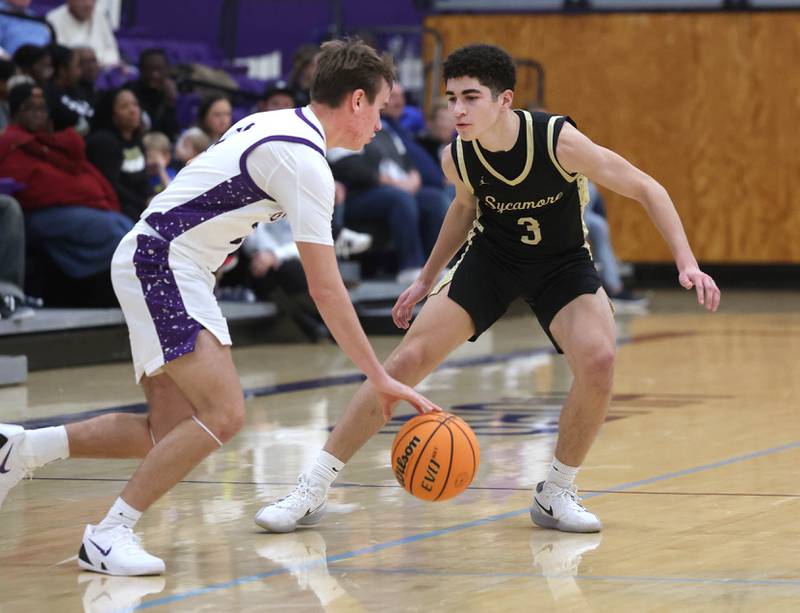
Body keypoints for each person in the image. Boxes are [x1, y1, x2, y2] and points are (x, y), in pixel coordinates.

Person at [0, 38, 439, 577]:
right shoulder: (304, 161)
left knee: (167, 430)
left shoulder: (274, 123)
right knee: (224, 414)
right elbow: (326, 290)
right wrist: (379, 377)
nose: (379, 123)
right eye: (379, 107)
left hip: (159, 259)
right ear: (356, 100)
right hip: (164, 264)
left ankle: (20, 449)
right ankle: (109, 535)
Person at [255, 43, 720, 534]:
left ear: (504, 100)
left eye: (471, 97)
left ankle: (556, 491)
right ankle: (313, 487)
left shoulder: (557, 140)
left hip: (561, 264)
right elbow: (462, 209)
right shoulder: (458, 155)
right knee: (405, 362)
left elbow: (647, 188)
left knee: (599, 360)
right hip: (491, 260)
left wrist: (687, 263)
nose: (457, 109)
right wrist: (425, 278)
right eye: (451, 98)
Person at [86, 86, 152, 222]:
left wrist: (151, 197)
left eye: (135, 104)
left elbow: (143, 178)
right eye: (124, 106)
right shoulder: (103, 142)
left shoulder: (136, 140)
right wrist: (144, 203)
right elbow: (112, 186)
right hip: (114, 209)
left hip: (137, 206)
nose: (133, 110)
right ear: (112, 114)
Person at [46, 0, 121, 68]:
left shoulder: (100, 17)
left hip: (102, 71)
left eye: (92, 0)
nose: (88, 4)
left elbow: (112, 52)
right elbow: (59, 57)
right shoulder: (53, 20)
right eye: (82, 0)